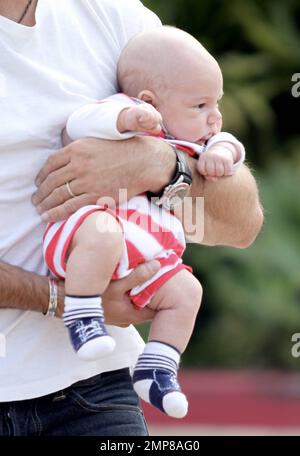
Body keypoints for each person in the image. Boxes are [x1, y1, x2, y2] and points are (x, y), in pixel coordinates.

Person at [0, 0, 263, 436]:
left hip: (95, 392)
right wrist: (61, 301)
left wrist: (160, 164)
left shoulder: (116, 19)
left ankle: (159, 369)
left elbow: (241, 223)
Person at [44, 26, 246, 419]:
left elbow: (233, 148)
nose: (215, 117)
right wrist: (128, 119)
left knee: (188, 291)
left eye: (217, 103)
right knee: (103, 237)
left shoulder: (194, 142)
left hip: (146, 258)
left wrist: (222, 151)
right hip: (89, 231)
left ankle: (158, 366)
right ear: (150, 102)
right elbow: (81, 123)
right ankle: (83, 317)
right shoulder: (123, 112)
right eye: (201, 105)